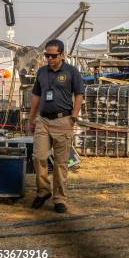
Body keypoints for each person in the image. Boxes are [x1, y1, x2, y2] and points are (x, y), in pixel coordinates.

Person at [28, 39, 84, 213]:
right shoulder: (41, 72)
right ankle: (43, 191)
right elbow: (36, 95)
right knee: (39, 157)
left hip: (63, 121)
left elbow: (79, 94)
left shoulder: (71, 72)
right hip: (43, 121)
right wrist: (31, 118)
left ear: (62, 55)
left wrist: (73, 116)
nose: (49, 58)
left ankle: (59, 198)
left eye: (53, 55)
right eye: (47, 55)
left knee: (60, 163)